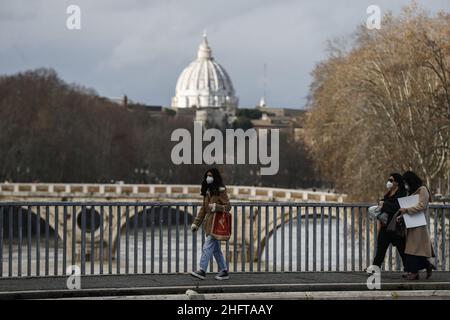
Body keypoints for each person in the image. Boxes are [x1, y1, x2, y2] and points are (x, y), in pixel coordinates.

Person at [190, 168, 231, 280]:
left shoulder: (221, 190)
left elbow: (228, 207)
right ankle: (224, 271)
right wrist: (196, 224)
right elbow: (203, 209)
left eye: (211, 175)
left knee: (207, 247)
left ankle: (202, 270)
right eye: (207, 175)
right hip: (209, 224)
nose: (209, 177)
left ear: (215, 177)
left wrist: (215, 207)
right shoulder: (207, 191)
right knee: (216, 250)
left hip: (216, 224)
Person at [398, 171, 435, 280]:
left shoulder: (423, 190)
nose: (405, 185)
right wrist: (402, 215)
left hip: (419, 225)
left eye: (406, 182)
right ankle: (424, 266)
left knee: (414, 250)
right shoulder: (414, 190)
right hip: (412, 223)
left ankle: (414, 273)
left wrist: (406, 210)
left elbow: (421, 206)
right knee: (412, 250)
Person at [368, 173, 407, 273]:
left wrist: (384, 204)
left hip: (395, 226)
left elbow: (396, 207)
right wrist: (382, 202)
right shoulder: (389, 192)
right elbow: (385, 203)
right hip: (385, 226)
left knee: (402, 251)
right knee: (380, 249)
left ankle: (410, 270)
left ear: (397, 182)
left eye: (391, 180)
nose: (389, 182)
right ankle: (375, 269)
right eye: (388, 179)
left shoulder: (402, 193)